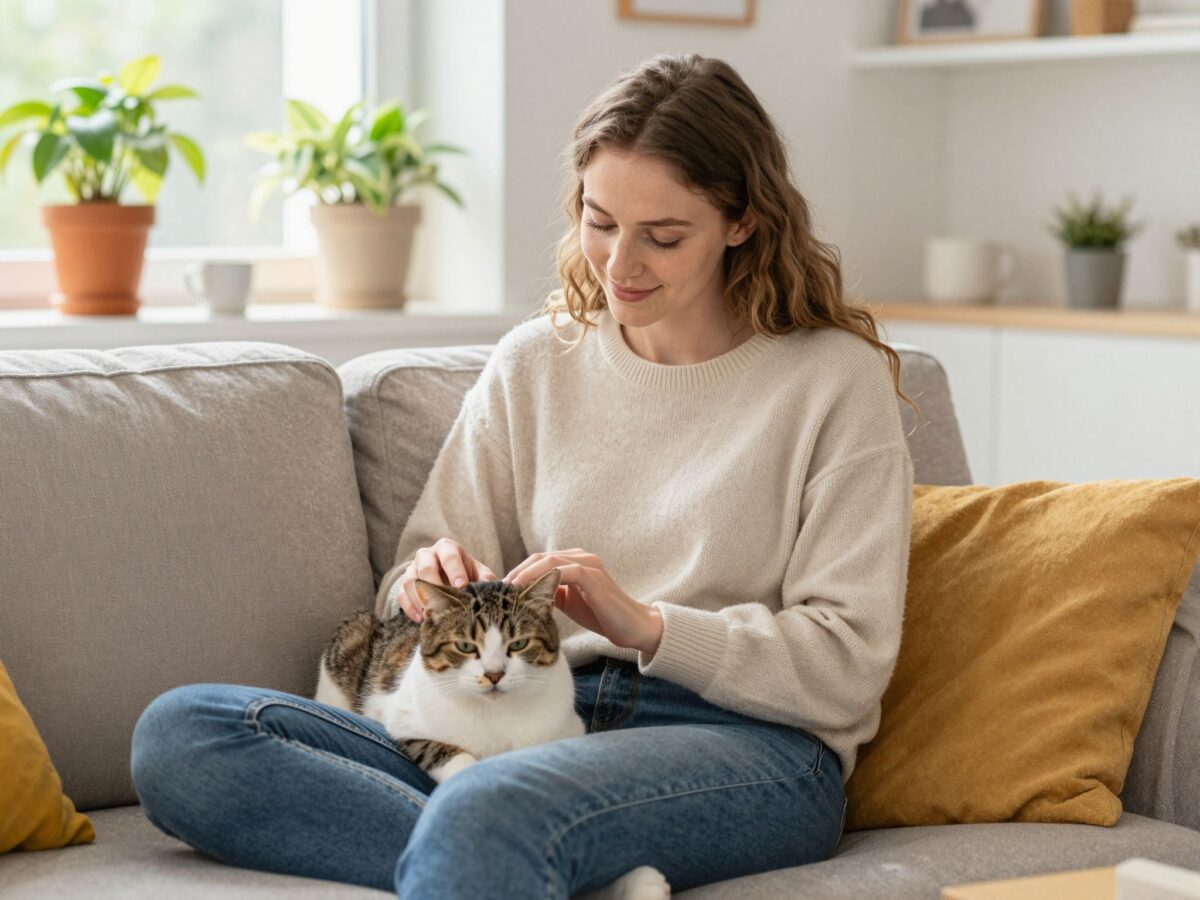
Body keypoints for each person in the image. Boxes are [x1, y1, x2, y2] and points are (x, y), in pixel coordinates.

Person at [131, 52, 917, 898]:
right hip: (521, 720)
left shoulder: (833, 380)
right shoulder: (536, 362)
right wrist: (425, 581)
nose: (619, 264)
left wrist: (650, 626)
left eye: (662, 236)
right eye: (600, 221)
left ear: (743, 222)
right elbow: (411, 579)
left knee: (493, 805)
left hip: (742, 746)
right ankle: (548, 867)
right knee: (187, 737)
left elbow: (847, 661)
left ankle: (506, 847)